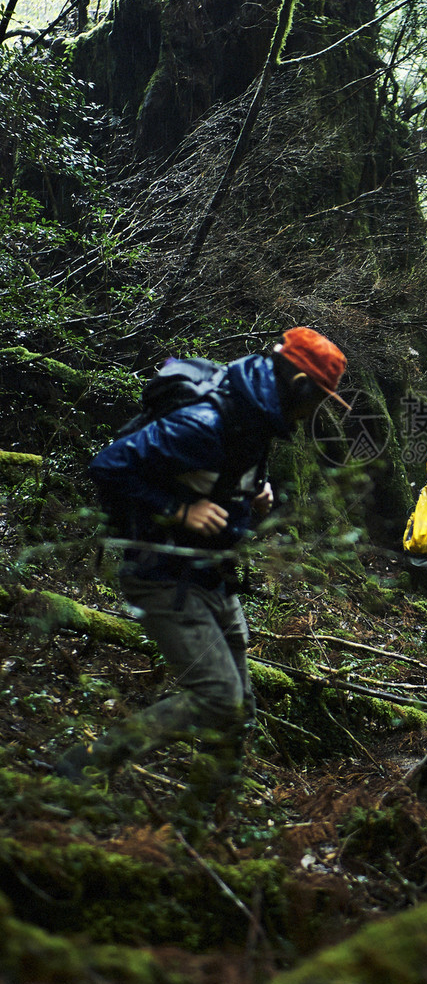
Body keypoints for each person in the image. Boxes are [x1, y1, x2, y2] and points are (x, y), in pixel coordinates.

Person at [55, 328, 349, 798]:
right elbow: (109, 465)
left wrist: (254, 494)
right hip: (162, 574)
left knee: (240, 706)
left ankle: (209, 813)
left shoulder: (256, 412)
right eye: (319, 398)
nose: (318, 410)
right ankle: (82, 767)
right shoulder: (206, 420)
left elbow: (223, 474)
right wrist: (178, 510)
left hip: (212, 572)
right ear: (299, 384)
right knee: (218, 700)